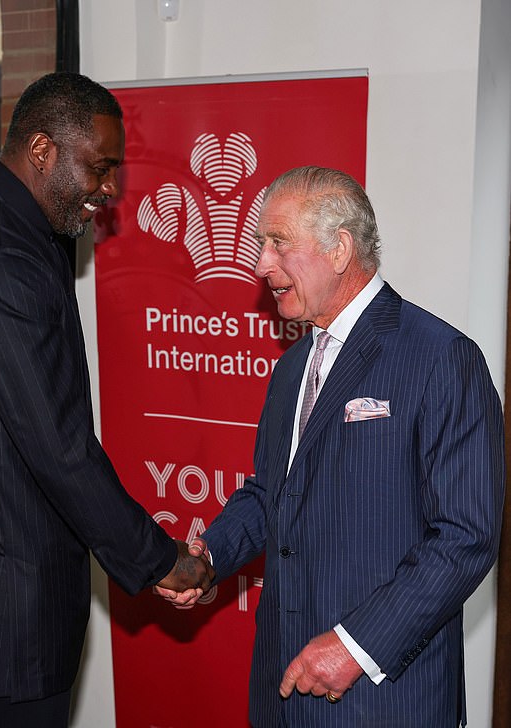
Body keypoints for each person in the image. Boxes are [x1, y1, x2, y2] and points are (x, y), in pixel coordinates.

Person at [0, 72, 213, 728]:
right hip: (3, 615)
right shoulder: (3, 256)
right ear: (42, 151)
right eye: (100, 167)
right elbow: (59, 450)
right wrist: (162, 560)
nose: (111, 188)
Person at [157, 166, 505, 727]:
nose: (261, 264)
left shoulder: (442, 358)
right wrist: (210, 558)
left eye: (278, 243)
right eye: (260, 244)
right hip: (284, 690)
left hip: (383, 698)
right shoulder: (295, 363)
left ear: (340, 248)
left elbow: (466, 537)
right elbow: (273, 490)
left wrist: (355, 647)